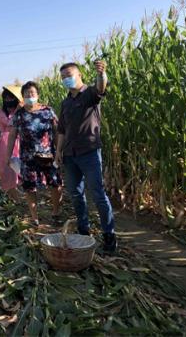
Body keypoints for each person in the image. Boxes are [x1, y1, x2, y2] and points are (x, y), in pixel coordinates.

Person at [55, 61, 117, 253]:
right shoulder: (65, 103)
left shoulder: (90, 94)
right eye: (63, 77)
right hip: (70, 155)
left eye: (69, 75)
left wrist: (101, 74)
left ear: (79, 75)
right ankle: (84, 231)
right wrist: (58, 151)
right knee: (76, 195)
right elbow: (62, 130)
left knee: (98, 194)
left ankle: (109, 235)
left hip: (89, 152)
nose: (66, 79)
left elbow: (101, 88)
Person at [7, 81, 62, 226]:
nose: (30, 96)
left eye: (32, 93)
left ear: (37, 94)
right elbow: (12, 136)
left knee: (55, 184)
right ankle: (35, 217)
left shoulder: (48, 111)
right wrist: (8, 156)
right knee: (30, 187)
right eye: (26, 94)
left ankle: (56, 212)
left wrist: (59, 151)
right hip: (28, 158)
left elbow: (56, 131)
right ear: (23, 96)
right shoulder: (19, 115)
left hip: (48, 156)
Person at [0, 86, 22, 203]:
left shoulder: (23, 110)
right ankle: (15, 198)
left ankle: (24, 194)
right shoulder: (1, 113)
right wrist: (17, 111)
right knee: (8, 170)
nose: (8, 100)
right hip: (7, 143)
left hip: (22, 141)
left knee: (23, 170)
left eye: (10, 97)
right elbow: (10, 123)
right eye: (6, 98)